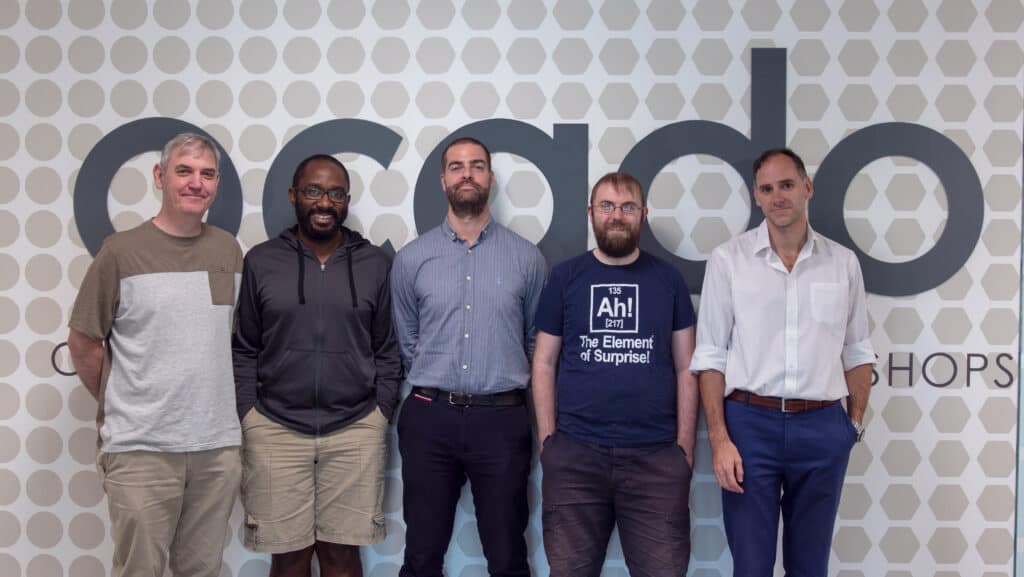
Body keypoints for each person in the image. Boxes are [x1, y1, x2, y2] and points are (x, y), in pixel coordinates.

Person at [690, 148, 875, 576]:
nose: (778, 197)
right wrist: (719, 439)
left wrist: (853, 425)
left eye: (787, 185)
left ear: (807, 188)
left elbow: (857, 349)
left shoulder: (842, 264)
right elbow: (711, 354)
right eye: (768, 189)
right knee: (751, 566)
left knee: (810, 567)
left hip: (823, 428)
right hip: (749, 427)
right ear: (756, 196)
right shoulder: (728, 261)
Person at [66, 133, 242, 577]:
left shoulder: (228, 250)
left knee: (203, 570)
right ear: (160, 177)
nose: (195, 183)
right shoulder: (120, 252)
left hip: (215, 449)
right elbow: (84, 342)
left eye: (206, 174)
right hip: (141, 450)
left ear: (217, 184)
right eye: (184, 171)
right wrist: (125, 403)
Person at [232, 154, 402, 577]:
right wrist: (249, 414)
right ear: (293, 196)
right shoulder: (261, 261)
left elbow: (388, 349)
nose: (324, 202)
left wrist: (380, 412)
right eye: (313, 191)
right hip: (275, 429)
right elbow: (244, 347)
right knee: (287, 558)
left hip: (355, 430)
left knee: (342, 557)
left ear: (346, 201)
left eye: (335, 193)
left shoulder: (375, 264)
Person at [390, 137, 547, 577]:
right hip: (429, 418)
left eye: (477, 166)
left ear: (490, 179)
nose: (467, 174)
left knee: (508, 556)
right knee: (421, 556)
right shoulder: (412, 259)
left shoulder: (527, 259)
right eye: (457, 167)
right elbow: (408, 342)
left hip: (501, 421)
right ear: (443, 180)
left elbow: (536, 343)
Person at [532, 172, 698, 577]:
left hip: (656, 460)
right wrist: (549, 443)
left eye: (627, 207)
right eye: (607, 206)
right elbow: (543, 363)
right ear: (591, 213)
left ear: (643, 214)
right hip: (574, 457)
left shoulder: (668, 280)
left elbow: (686, 367)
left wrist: (684, 451)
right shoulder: (566, 277)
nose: (617, 216)